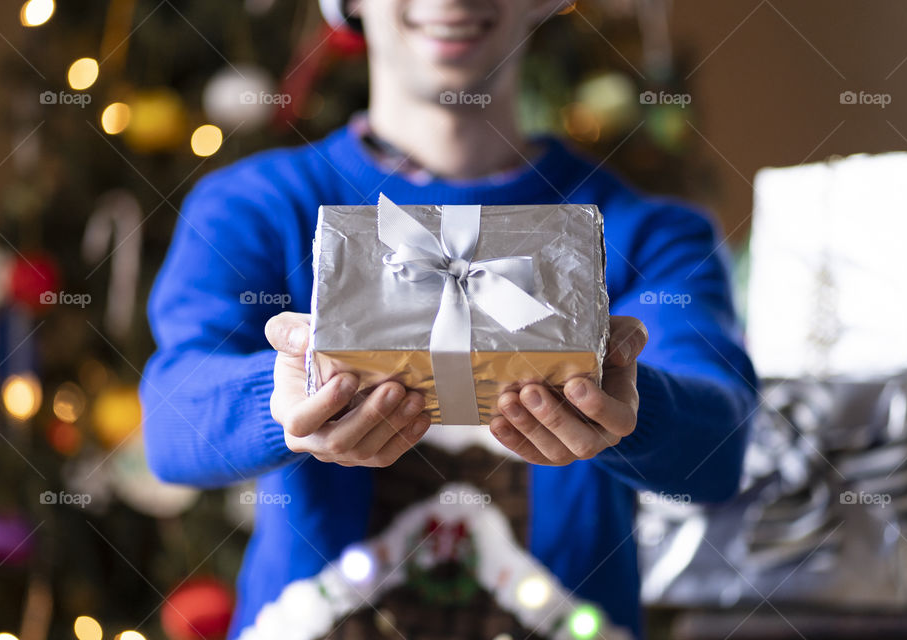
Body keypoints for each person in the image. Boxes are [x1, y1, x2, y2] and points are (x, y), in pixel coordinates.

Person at [141, 1, 758, 638]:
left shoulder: (650, 235)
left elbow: (719, 447)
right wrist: (278, 398)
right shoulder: (260, 207)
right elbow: (169, 421)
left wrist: (633, 406)